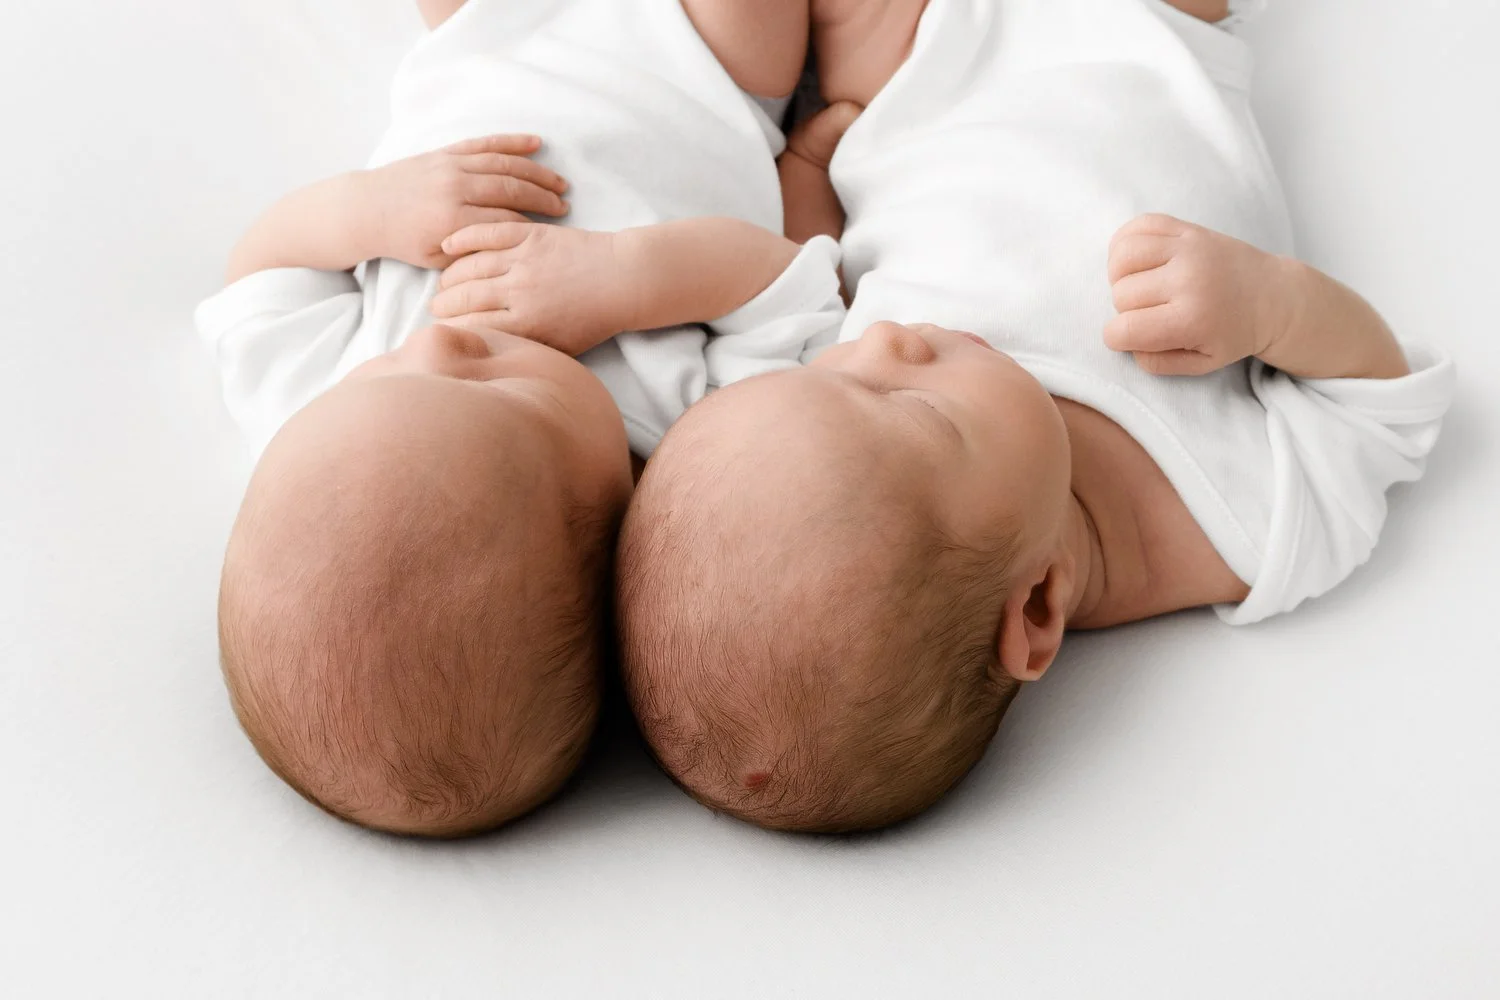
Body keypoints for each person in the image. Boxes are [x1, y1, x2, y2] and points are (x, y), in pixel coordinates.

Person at [604, 0, 1456, 832]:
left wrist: (806, 172)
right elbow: (1384, 405)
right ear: (1039, 605)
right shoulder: (1247, 522)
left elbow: (801, 283)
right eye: (911, 403)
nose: (882, 340)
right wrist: (1273, 307)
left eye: (829, 367)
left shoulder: (816, 434)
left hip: (904, 85)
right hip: (1145, 43)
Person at [197, 0, 851, 837]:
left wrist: (370, 208)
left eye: (395, 375)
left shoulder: (321, 408)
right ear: (609, 518)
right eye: (495, 387)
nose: (440, 348)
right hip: (695, 70)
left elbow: (260, 270)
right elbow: (796, 298)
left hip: (483, 38)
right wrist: (627, 277)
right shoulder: (686, 440)